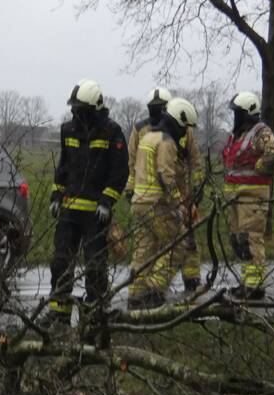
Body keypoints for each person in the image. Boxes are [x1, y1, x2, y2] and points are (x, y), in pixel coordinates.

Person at [48, 79, 129, 322]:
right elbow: (63, 168)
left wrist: (107, 201)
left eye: (80, 108)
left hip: (96, 214)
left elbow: (119, 172)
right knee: (61, 261)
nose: (75, 112)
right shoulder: (68, 129)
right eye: (74, 107)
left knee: (95, 265)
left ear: (93, 107)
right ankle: (58, 313)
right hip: (69, 211)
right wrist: (55, 196)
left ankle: (94, 313)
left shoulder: (111, 132)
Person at [127, 88, 205, 292]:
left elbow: (195, 162)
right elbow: (149, 169)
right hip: (161, 198)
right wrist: (178, 203)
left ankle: (139, 293)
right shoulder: (153, 134)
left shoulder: (169, 132)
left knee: (149, 247)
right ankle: (154, 289)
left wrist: (195, 193)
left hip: (161, 196)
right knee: (176, 241)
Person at [222, 91, 274, 300]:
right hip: (235, 199)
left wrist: (261, 165)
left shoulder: (259, 132)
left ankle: (255, 286)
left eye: (237, 113)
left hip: (252, 197)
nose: (234, 117)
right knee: (239, 241)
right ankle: (246, 282)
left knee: (252, 239)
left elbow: (273, 151)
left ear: (247, 113)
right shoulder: (236, 135)